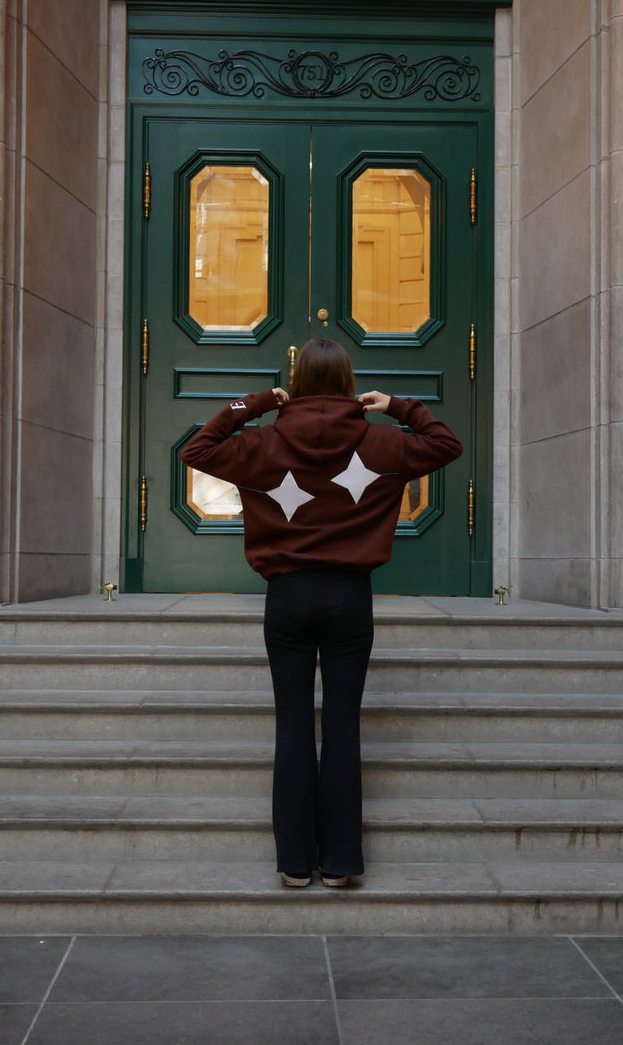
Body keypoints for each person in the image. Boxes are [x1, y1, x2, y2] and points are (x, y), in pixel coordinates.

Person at [180, 338, 463, 888]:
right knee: (341, 725)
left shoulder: (263, 442)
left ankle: (294, 862)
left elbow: (198, 449)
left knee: (292, 723)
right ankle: (339, 864)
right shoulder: (381, 443)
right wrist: (401, 407)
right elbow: (445, 443)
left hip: (288, 596)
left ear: (297, 382)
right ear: (349, 383)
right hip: (349, 597)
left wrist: (255, 403)